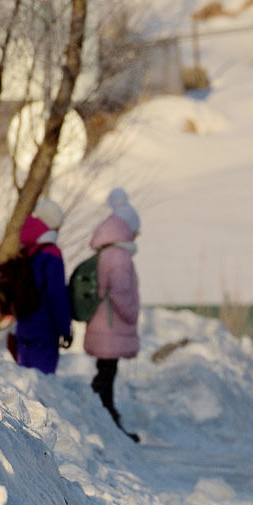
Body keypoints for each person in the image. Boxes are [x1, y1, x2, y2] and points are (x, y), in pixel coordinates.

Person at [84, 188, 141, 442]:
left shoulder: (106, 253)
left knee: (105, 373)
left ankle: (105, 420)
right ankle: (105, 423)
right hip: (112, 325)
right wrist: (131, 315)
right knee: (106, 375)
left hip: (103, 323)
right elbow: (122, 292)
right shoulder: (119, 257)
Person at [12, 198, 73, 374]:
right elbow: (57, 296)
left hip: (23, 326)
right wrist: (65, 329)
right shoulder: (51, 253)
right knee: (41, 386)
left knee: (24, 382)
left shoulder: (27, 250)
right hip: (45, 330)